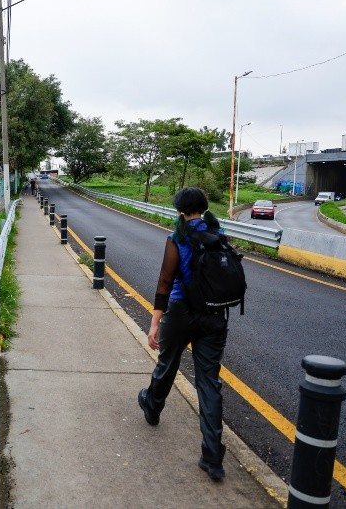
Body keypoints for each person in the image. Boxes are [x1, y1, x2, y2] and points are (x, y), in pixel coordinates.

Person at [137, 187, 230, 481]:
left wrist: (154, 323)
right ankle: (213, 456)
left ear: (179, 210)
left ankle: (152, 406)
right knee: (209, 382)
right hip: (215, 315)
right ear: (203, 208)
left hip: (180, 312)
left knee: (168, 364)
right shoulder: (219, 234)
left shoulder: (177, 238)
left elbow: (165, 282)